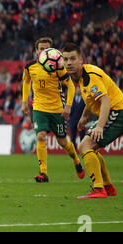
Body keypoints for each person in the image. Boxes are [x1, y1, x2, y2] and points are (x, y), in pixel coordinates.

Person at [63, 42, 123, 199]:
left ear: (81, 60)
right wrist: (84, 115)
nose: (68, 63)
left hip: (119, 113)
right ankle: (107, 187)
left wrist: (100, 126)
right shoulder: (82, 76)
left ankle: (99, 189)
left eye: (72, 58)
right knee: (90, 149)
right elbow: (92, 98)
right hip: (117, 113)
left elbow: (106, 101)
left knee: (84, 146)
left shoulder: (90, 76)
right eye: (65, 59)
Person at [21, 37, 85, 183]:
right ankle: (43, 173)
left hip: (57, 109)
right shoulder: (30, 67)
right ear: (36, 51)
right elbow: (26, 81)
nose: (44, 51)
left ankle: (76, 160)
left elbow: (70, 86)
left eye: (47, 49)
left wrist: (68, 106)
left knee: (62, 142)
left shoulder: (59, 67)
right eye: (41, 49)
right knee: (41, 136)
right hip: (39, 108)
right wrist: (24, 101)